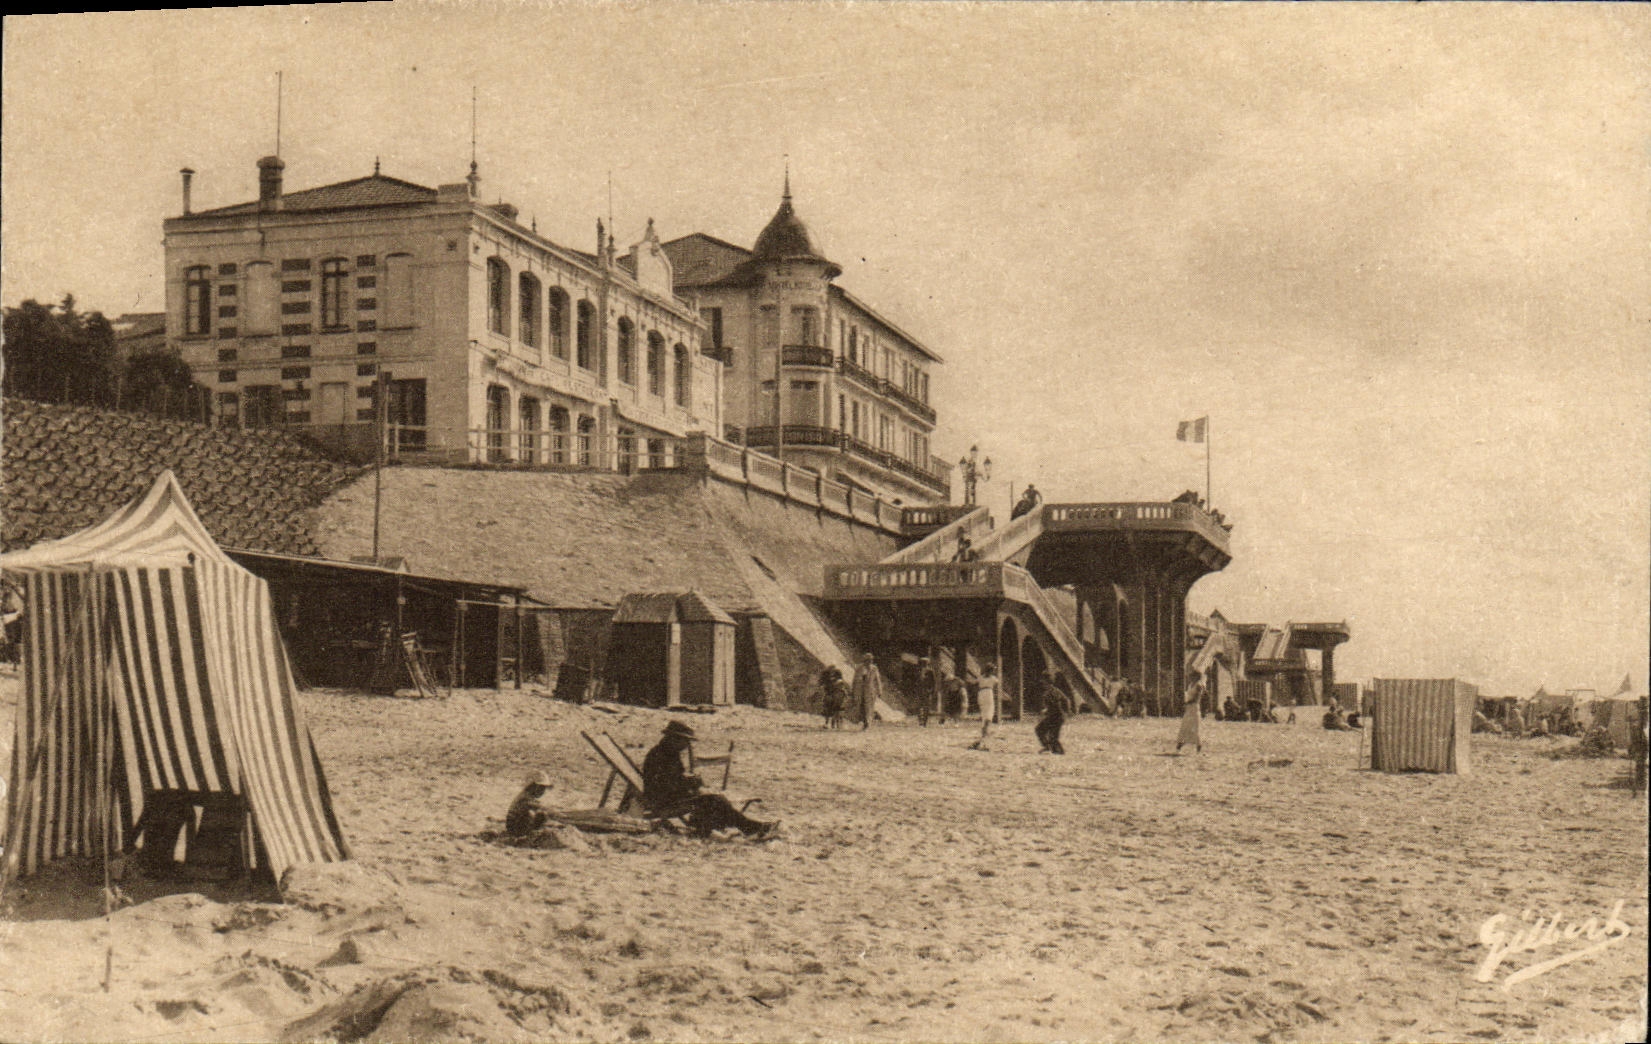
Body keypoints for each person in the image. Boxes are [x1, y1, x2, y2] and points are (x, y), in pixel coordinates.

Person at [641, 721, 776, 839]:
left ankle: (711, 827)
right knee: (715, 800)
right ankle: (751, 828)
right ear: (674, 739)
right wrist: (690, 783)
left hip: (669, 797)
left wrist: (688, 781)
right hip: (663, 801)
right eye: (685, 741)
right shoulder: (660, 756)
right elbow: (665, 785)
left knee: (716, 800)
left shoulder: (666, 753)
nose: (687, 746)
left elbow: (671, 779)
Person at [505, 771, 555, 837]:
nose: (543, 791)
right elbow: (538, 807)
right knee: (541, 814)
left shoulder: (526, 795)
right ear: (533, 787)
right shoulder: (525, 798)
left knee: (540, 814)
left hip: (516, 824)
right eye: (541, 788)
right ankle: (526, 836)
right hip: (514, 827)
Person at [1034, 670, 1069, 754]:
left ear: (1047, 681)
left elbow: (1064, 701)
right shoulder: (1050, 691)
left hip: (1057, 716)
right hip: (1053, 716)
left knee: (1053, 736)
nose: (1042, 682)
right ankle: (1048, 747)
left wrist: (1065, 712)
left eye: (1043, 680)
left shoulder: (1053, 692)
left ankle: (1059, 752)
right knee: (1039, 729)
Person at [970, 661, 999, 749]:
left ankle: (985, 731)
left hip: (981, 693)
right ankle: (985, 733)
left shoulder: (980, 678)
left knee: (984, 713)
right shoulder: (993, 678)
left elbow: (974, 684)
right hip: (988, 693)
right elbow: (996, 686)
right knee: (989, 714)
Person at [851, 652, 884, 730]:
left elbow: (877, 680)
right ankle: (864, 721)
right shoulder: (859, 668)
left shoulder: (874, 668)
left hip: (870, 691)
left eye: (871, 660)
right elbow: (855, 680)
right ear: (864, 660)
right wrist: (853, 690)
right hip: (860, 690)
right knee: (861, 706)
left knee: (869, 707)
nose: (870, 661)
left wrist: (879, 691)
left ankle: (867, 723)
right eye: (868, 660)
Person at [1176, 682, 1204, 753]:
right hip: (1189, 708)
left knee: (1195, 726)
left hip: (1194, 707)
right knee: (1185, 725)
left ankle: (1198, 745)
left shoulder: (1199, 685)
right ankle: (1181, 742)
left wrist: (1187, 703)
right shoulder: (1190, 685)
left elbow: (1197, 698)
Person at [916, 657, 937, 727]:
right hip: (919, 691)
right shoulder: (918, 671)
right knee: (919, 706)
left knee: (926, 707)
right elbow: (916, 681)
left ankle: (924, 722)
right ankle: (920, 721)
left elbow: (934, 682)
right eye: (922, 663)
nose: (923, 664)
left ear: (927, 663)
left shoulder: (930, 671)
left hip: (927, 691)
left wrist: (931, 690)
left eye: (925, 663)